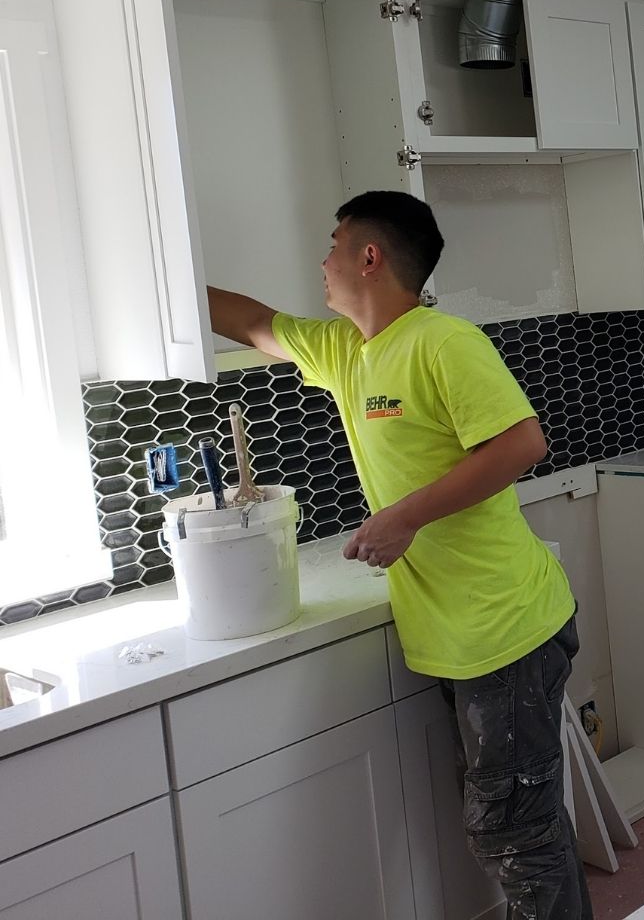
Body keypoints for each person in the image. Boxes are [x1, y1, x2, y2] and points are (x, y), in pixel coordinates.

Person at [207, 190, 593, 919]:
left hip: (504, 629)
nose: (322, 261)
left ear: (369, 256)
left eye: (332, 245)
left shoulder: (442, 342)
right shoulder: (346, 351)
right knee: (518, 828)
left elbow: (522, 444)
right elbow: (252, 322)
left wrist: (403, 518)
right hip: (458, 633)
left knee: (518, 835)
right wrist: (160, 276)